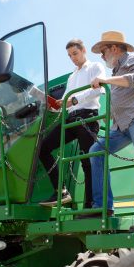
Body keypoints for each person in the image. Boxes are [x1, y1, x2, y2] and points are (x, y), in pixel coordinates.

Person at [89, 30, 134, 232]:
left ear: (113, 48)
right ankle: (103, 206)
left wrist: (105, 81)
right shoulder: (115, 72)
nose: (102, 57)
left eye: (103, 52)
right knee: (96, 150)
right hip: (121, 125)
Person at [39, 39, 105, 207]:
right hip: (70, 119)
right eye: (69, 56)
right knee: (43, 148)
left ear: (83, 50)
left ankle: (90, 206)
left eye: (75, 54)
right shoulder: (72, 77)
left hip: (87, 118)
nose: (73, 58)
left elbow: (98, 89)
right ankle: (61, 192)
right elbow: (66, 102)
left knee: (87, 162)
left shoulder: (95, 67)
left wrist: (74, 100)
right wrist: (55, 106)